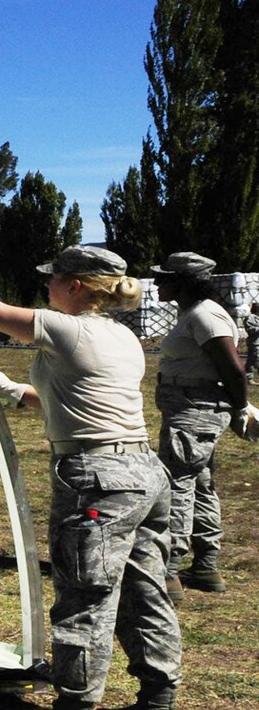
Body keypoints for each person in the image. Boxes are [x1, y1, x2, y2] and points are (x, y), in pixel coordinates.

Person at [0, 241, 194, 710]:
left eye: (53, 279)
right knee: (146, 592)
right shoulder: (123, 336)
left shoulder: (65, 326)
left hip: (98, 478)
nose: (45, 285)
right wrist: (15, 391)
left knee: (85, 596)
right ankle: (158, 706)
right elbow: (85, 399)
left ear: (75, 285)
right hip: (142, 470)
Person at [151, 252, 250, 593]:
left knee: (176, 485)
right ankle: (206, 566)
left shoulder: (206, 316)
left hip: (195, 411)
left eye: (164, 277)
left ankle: (169, 570)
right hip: (191, 410)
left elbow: (234, 370)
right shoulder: (193, 314)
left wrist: (241, 407)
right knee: (200, 485)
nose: (157, 283)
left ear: (184, 282)